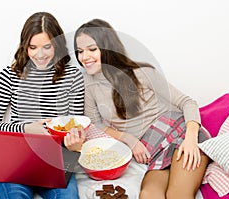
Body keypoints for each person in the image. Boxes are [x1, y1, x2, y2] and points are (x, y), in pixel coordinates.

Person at [74, 18, 210, 199]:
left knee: (178, 195)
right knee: (148, 195)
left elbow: (187, 102)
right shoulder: (88, 84)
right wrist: (128, 139)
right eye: (80, 51)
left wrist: (191, 139)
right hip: (154, 150)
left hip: (181, 134)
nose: (84, 57)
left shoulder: (140, 72)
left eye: (92, 49)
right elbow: (96, 122)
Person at [0, 12, 84, 199]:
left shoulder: (73, 77)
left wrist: (74, 144)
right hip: (15, 160)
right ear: (25, 47)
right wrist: (27, 128)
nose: (40, 55)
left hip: (56, 161)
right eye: (33, 47)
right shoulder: (9, 76)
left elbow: (75, 125)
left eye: (47, 47)